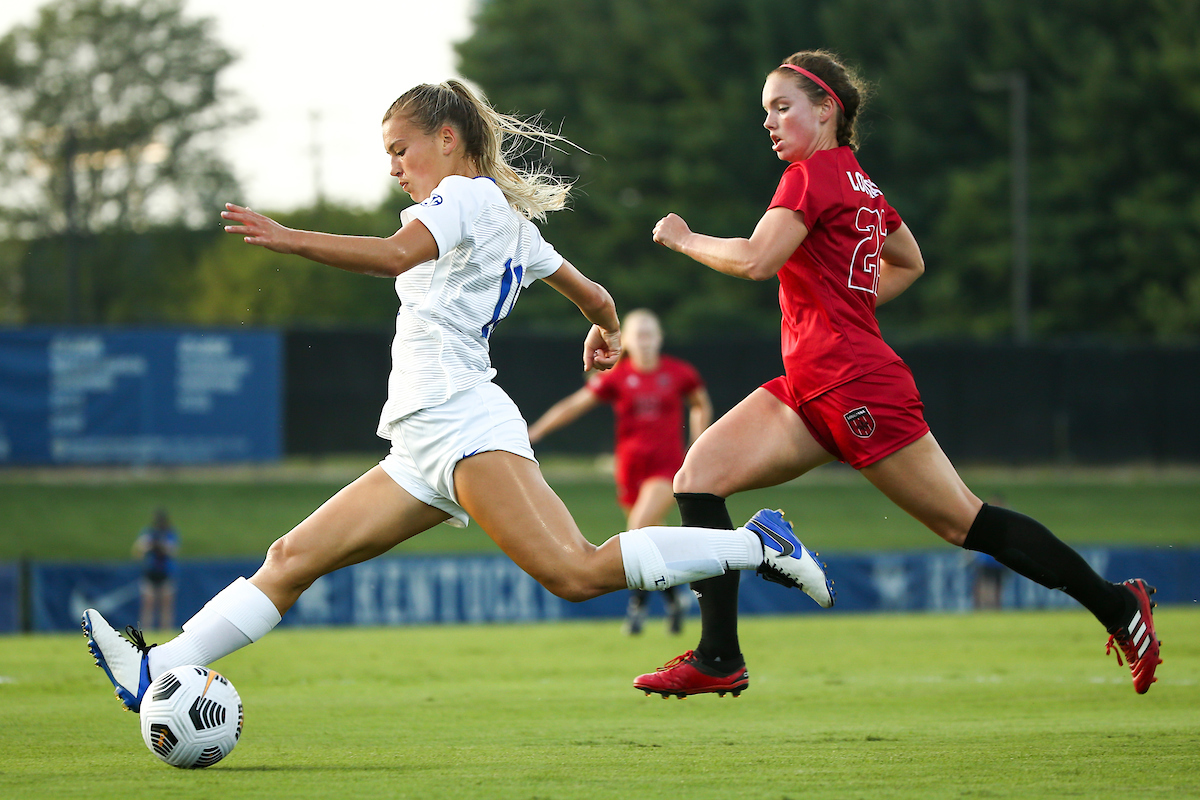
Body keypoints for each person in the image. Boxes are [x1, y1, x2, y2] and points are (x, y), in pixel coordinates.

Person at [80, 80, 834, 713]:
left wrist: (290, 237)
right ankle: (159, 669)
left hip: (463, 425)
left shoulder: (466, 198)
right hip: (421, 444)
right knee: (291, 556)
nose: (393, 168)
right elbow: (595, 293)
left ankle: (758, 545)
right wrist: (601, 329)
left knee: (576, 571)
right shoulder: (503, 216)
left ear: (447, 138)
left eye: (398, 150)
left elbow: (392, 256)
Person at [637, 50, 1162, 698]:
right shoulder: (857, 180)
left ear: (827, 109)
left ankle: (1119, 606)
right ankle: (719, 657)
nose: (769, 123)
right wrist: (846, 301)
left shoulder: (808, 178)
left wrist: (684, 237)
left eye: (782, 107)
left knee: (964, 523)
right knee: (699, 480)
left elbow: (755, 260)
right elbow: (909, 261)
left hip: (855, 385)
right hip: (811, 385)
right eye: (765, 112)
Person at [528, 308, 713, 635]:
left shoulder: (678, 372)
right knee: (651, 538)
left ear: (659, 339)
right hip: (630, 471)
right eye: (637, 335)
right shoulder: (618, 376)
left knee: (638, 529)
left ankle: (637, 607)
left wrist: (697, 447)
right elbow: (575, 404)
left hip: (666, 468)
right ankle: (673, 600)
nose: (644, 342)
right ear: (625, 340)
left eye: (649, 334)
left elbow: (700, 405)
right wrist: (536, 432)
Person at [132, 508, 179, 630]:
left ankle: (165, 630)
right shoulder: (148, 534)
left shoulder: (169, 534)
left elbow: (173, 551)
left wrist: (162, 546)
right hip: (150, 573)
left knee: (166, 606)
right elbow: (138, 551)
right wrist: (148, 546)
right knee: (148, 604)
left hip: (165, 573)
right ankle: (146, 631)